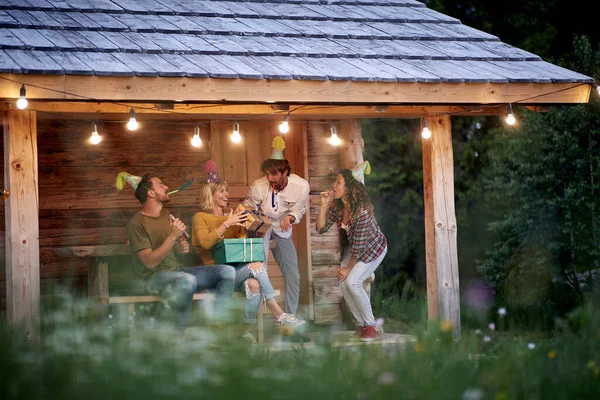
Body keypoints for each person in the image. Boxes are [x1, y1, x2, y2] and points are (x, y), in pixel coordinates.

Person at [192, 161, 305, 343]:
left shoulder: (230, 216)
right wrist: (227, 224)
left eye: (226, 191)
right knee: (258, 266)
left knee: (254, 284)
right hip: (215, 274)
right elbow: (205, 243)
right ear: (210, 194)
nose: (226, 194)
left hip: (235, 272)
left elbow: (242, 248)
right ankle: (280, 315)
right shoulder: (200, 217)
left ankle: (245, 332)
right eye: (221, 191)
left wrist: (255, 226)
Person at [118, 171, 236, 327]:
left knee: (227, 272)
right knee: (187, 279)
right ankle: (178, 335)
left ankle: (219, 327)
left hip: (177, 270)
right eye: (161, 185)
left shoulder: (166, 214)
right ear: (151, 193)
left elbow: (172, 249)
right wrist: (173, 236)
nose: (166, 186)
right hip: (154, 278)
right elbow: (149, 262)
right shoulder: (136, 223)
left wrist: (181, 248)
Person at [315, 161, 388, 342]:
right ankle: (362, 325)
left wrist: (348, 268)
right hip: (354, 248)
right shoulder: (340, 205)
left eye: (338, 182)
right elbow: (321, 229)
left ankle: (372, 326)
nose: (334, 185)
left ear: (350, 187)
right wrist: (324, 205)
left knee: (353, 281)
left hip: (372, 248)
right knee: (343, 283)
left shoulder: (361, 212)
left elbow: (360, 246)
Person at [243, 136, 310, 316]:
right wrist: (256, 217)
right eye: (267, 174)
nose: (270, 178)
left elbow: (299, 210)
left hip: (283, 230)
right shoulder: (258, 186)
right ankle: (259, 318)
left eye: (273, 174)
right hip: (262, 228)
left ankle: (290, 320)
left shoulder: (301, 186)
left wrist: (290, 217)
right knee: (259, 272)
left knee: (293, 275)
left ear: (284, 172)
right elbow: (247, 208)